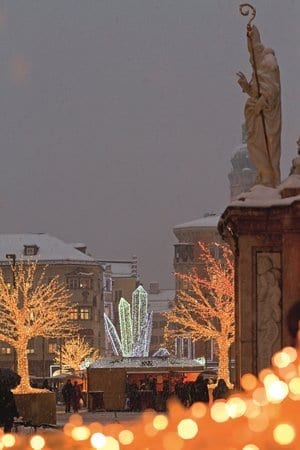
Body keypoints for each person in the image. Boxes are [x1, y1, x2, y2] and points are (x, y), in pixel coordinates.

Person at [237, 25, 281, 188]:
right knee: (254, 144)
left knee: (266, 145)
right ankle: (264, 174)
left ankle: (268, 176)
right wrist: (247, 87)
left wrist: (260, 104)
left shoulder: (267, 60)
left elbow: (272, 89)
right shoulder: (257, 64)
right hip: (256, 115)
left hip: (267, 116)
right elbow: (259, 91)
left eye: (251, 45)